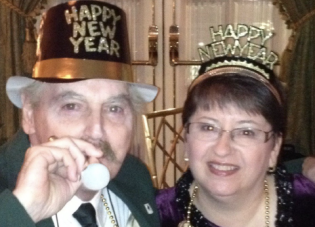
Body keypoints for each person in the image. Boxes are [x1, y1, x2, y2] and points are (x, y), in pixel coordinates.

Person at [0, 1, 160, 226]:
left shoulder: (134, 177)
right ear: (28, 113)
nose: (96, 131)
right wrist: (24, 210)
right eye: (72, 106)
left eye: (114, 109)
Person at [156, 56, 315, 226]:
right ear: (186, 138)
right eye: (208, 127)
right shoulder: (155, 214)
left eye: (246, 132)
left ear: (274, 147)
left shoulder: (307, 205)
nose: (222, 149)